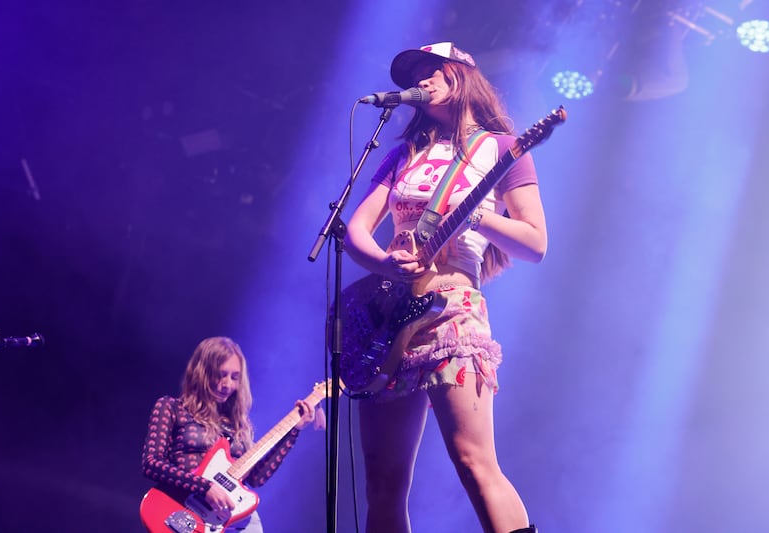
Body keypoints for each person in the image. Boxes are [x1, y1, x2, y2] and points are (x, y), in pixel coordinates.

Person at [344, 42, 545, 533]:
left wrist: (479, 215)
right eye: (416, 75)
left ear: (461, 75)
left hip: (452, 312)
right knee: (382, 485)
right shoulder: (402, 154)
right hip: (390, 320)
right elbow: (355, 231)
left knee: (474, 462)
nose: (423, 80)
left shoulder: (500, 149)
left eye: (433, 70)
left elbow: (535, 242)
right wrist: (387, 265)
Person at [141, 336, 325, 533]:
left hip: (228, 518)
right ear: (202, 372)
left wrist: (293, 431)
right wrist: (204, 487)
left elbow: (256, 478)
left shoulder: (240, 425)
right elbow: (151, 463)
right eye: (220, 375)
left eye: (234, 377)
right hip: (180, 509)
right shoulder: (171, 407)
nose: (227, 384)